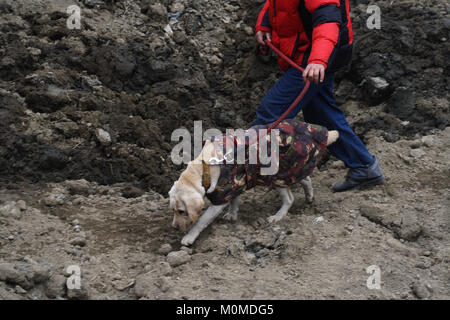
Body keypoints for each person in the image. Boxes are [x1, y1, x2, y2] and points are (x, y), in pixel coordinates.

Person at [252, 0, 384, 192]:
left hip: (316, 56)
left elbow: (328, 20)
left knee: (271, 113)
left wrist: (318, 60)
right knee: (320, 114)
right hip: (308, 52)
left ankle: (232, 173)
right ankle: (364, 166)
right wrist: (264, 23)